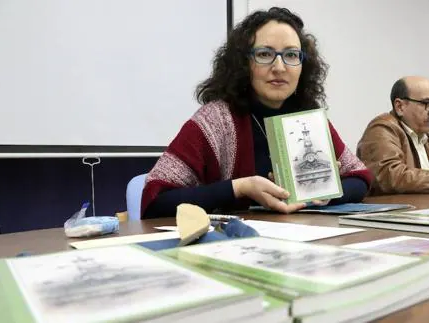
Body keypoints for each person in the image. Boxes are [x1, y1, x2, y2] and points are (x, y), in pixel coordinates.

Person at [141, 7, 373, 219]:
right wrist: (239, 188)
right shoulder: (215, 120)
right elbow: (154, 201)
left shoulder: (307, 117)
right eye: (264, 54)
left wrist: (329, 194)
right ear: (244, 63)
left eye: (291, 55)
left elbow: (360, 177)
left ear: (304, 65)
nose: (280, 67)